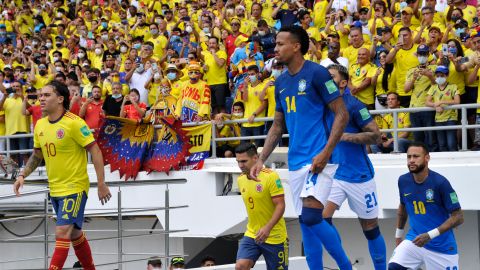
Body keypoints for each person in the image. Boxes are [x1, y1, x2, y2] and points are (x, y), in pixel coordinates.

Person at [250, 25, 351, 270]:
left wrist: (326, 152)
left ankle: (346, 267)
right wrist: (261, 158)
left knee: (312, 216)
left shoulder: (318, 74)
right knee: (306, 223)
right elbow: (277, 125)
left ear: (296, 46)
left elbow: (342, 114)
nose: (275, 48)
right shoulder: (281, 81)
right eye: (275, 44)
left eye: (280, 44)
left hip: (319, 157)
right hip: (296, 161)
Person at [13, 81, 111, 270]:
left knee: (62, 232)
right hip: (55, 188)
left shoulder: (74, 123)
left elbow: (96, 151)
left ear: (60, 99)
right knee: (74, 234)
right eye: (40, 95)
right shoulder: (40, 124)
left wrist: (101, 183)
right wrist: (23, 174)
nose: (41, 98)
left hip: (74, 187)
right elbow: (37, 154)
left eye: (47, 95)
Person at [324, 64, 387, 270]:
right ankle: (345, 266)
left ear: (343, 83)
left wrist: (343, 137)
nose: (326, 79)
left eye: (331, 77)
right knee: (320, 219)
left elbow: (376, 135)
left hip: (359, 175)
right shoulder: (322, 105)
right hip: (334, 173)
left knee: (369, 228)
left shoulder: (355, 105)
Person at [388, 142, 464, 269]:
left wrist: (430, 235)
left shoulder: (441, 183)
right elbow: (403, 207)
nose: (411, 160)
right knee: (394, 267)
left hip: (442, 248)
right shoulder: (403, 180)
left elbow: (459, 217)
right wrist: (398, 235)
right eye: (409, 157)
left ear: (427, 158)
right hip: (415, 240)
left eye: (416, 156)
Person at [235, 143, 288, 270]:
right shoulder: (240, 179)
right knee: (240, 266)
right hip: (252, 234)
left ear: (255, 158)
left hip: (275, 237)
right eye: (238, 161)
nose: (240, 165)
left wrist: (268, 228)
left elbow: (281, 205)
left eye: (244, 161)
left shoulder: (270, 176)